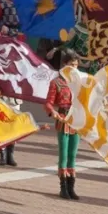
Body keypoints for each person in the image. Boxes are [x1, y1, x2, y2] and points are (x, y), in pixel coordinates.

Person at [45, 54, 79, 195]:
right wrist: (52, 112)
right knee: (63, 154)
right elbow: (48, 103)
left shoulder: (80, 83)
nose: (74, 68)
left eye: (76, 65)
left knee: (73, 154)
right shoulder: (56, 82)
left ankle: (71, 188)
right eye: (71, 64)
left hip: (76, 120)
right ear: (64, 64)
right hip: (63, 118)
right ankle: (63, 188)